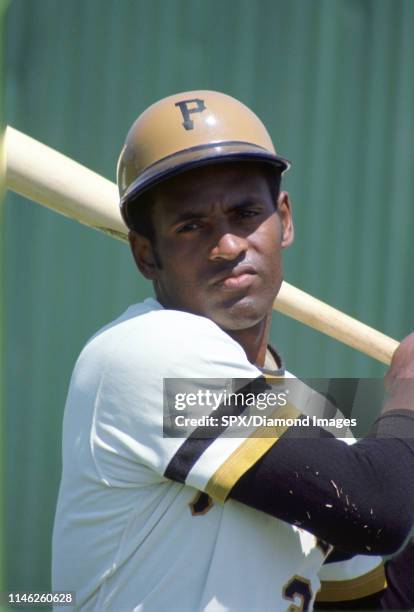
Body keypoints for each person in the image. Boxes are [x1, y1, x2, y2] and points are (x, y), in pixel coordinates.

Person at [52, 90, 414, 611]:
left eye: (245, 213)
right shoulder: (141, 353)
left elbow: (369, 597)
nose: (226, 246)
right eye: (191, 225)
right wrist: (405, 395)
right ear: (145, 253)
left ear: (283, 220)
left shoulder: (318, 415)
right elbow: (374, 505)